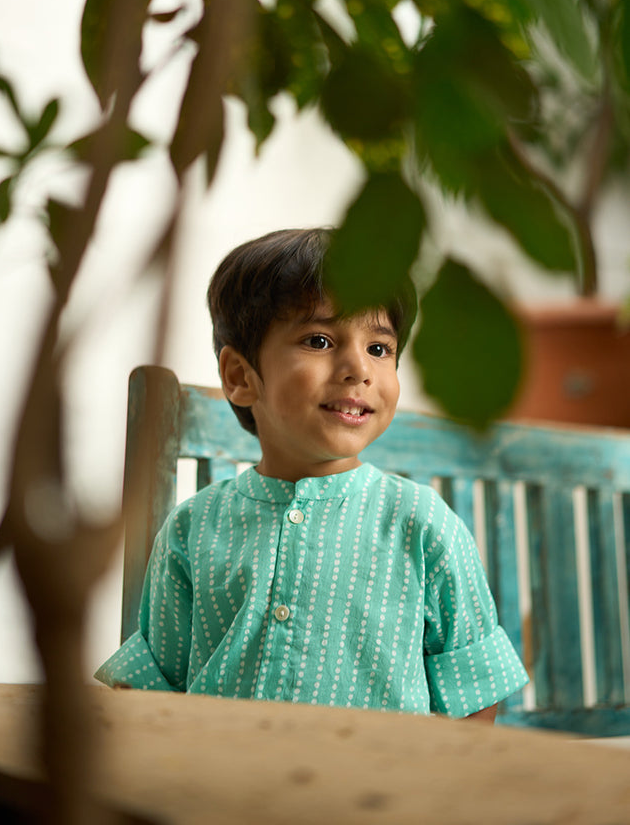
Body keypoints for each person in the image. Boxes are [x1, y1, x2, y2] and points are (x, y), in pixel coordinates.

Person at [96, 227, 528, 721]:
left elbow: (474, 692)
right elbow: (152, 690)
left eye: (379, 349)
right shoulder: (193, 529)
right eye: (320, 340)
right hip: (224, 786)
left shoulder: (422, 524)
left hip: (379, 791)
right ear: (240, 377)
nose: (357, 369)